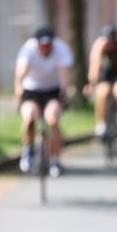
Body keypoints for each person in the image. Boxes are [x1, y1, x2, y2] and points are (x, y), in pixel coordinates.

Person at [15, 27, 75, 177]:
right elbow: (20, 75)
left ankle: (55, 160)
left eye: (48, 45)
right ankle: (28, 150)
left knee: (53, 120)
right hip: (31, 90)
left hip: (53, 91)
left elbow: (64, 76)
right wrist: (18, 94)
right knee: (29, 117)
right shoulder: (28, 49)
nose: (46, 48)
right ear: (37, 44)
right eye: (42, 45)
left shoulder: (62, 49)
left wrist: (65, 93)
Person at [84, 24, 117, 138]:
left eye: (112, 42)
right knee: (102, 94)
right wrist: (92, 84)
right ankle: (101, 123)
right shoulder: (99, 46)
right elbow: (94, 66)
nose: (110, 44)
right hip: (103, 75)